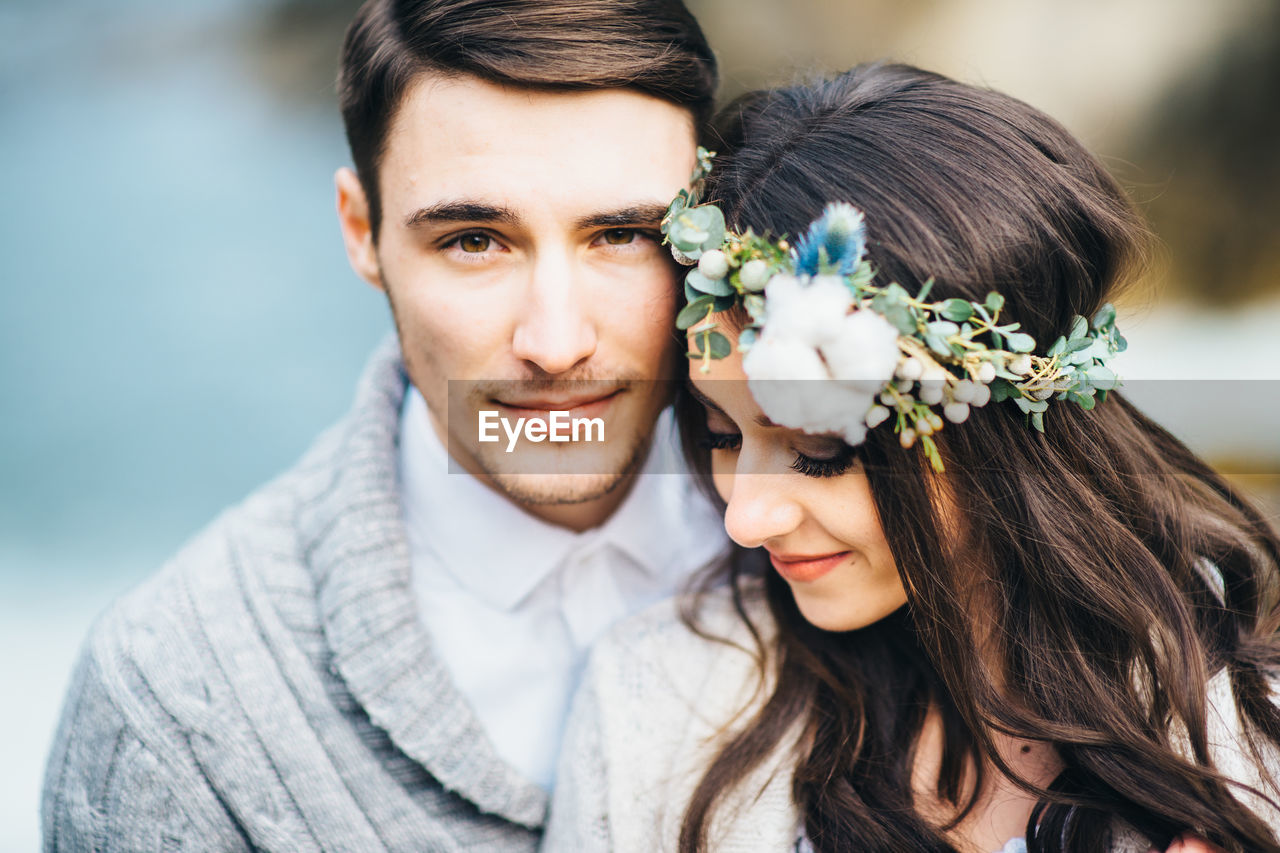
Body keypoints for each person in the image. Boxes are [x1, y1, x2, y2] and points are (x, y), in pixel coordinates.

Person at [41, 1, 726, 849]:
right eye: (475, 240)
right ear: (361, 230)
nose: (556, 344)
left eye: (625, 234)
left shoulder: (870, 548)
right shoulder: (172, 709)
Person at [544, 63, 1280, 852]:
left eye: (821, 449)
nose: (746, 517)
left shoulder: (1245, 747)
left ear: (993, 429)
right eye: (722, 435)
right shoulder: (655, 703)